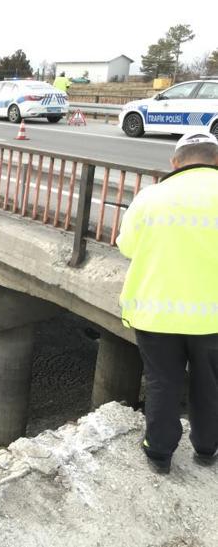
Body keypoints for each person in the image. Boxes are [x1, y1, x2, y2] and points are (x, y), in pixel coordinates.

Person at [116, 131, 218, 474]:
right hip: (213, 320)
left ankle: (159, 454)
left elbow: (127, 246)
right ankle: (206, 448)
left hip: (156, 312)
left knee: (163, 382)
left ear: (175, 162)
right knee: (211, 385)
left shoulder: (151, 198)